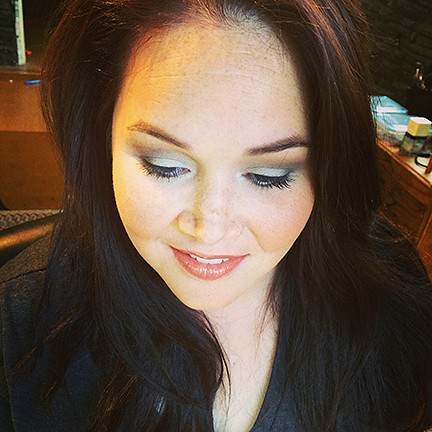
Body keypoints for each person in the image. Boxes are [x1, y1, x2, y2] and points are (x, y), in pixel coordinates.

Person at [1, 0, 432, 430]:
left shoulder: (391, 299)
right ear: (101, 137)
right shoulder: (22, 325)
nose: (209, 229)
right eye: (164, 166)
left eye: (267, 176)